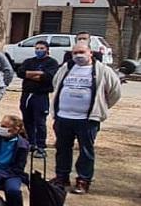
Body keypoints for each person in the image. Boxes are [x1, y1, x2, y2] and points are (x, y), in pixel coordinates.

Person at [51, 41, 121, 195]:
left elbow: (115, 92)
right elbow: (56, 83)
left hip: (87, 120)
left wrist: (101, 106)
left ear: (91, 53)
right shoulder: (66, 68)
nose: (78, 56)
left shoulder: (103, 71)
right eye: (75, 53)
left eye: (82, 52)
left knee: (86, 151)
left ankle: (83, 180)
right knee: (62, 149)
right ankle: (61, 177)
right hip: (63, 117)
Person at [16, 40, 59, 158]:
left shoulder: (52, 62)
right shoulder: (29, 61)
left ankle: (41, 146)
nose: (39, 50)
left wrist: (31, 75)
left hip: (40, 96)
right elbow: (20, 72)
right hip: (26, 95)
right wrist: (37, 74)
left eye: (41, 48)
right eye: (37, 48)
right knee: (27, 120)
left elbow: (48, 76)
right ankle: (31, 142)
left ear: (47, 49)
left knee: (40, 122)